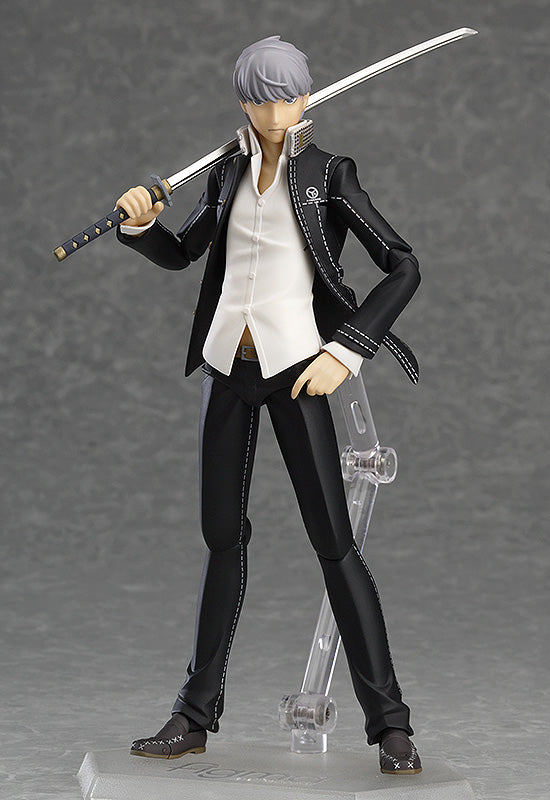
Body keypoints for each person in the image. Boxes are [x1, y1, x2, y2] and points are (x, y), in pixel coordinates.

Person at [115, 36, 422, 775]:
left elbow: (403, 265)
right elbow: (184, 252)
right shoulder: (224, 172)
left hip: (296, 369)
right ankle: (194, 715)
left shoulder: (328, 175)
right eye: (260, 97)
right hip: (228, 365)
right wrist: (139, 225)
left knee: (334, 542)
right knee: (221, 538)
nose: (274, 110)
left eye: (286, 96)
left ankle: (391, 725)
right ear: (243, 101)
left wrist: (346, 349)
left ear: (305, 98)